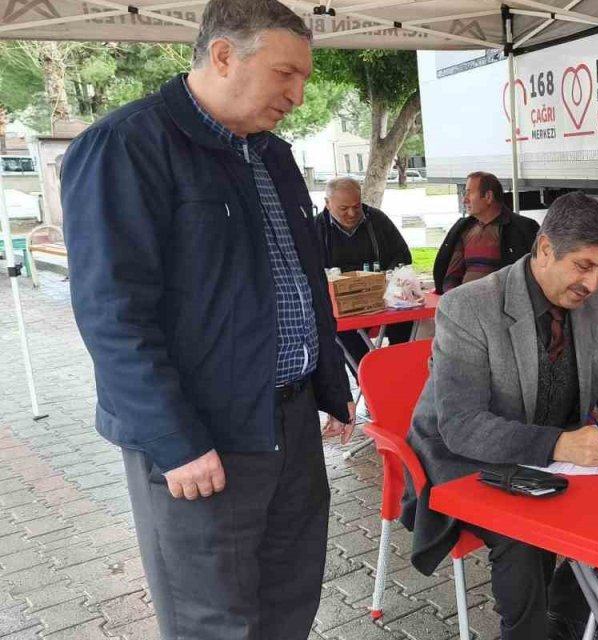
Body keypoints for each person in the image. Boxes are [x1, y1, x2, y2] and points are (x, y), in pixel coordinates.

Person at [60, 1, 354, 638]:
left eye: (303, 79)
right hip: (201, 440)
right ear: (224, 56)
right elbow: (113, 315)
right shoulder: (124, 146)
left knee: (290, 600)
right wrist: (176, 441)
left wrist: (330, 388)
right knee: (213, 621)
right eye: (286, 75)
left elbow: (299, 281)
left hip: (292, 424)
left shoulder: (272, 155)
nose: (298, 96)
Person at [405, 192, 598, 639]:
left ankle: (568, 620)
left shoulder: (595, 305)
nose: (593, 284)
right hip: (466, 460)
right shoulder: (468, 308)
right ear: (545, 249)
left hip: (547, 454)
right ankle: (525, 632)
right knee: (523, 536)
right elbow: (461, 425)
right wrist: (560, 444)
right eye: (584, 266)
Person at [315, 176, 414, 363]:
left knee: (404, 321)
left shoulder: (377, 220)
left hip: (381, 298)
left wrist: (391, 278)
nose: (352, 213)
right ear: (327, 204)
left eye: (357, 206)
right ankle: (371, 378)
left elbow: (402, 255)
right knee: (343, 335)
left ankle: (399, 369)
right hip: (341, 305)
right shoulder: (315, 229)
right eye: (344, 208)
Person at [432, 171, 540, 293]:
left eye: (469, 193)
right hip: (465, 305)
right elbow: (452, 274)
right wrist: (453, 299)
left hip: (505, 308)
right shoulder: (463, 228)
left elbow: (540, 274)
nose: (464, 200)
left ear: (488, 196)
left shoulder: (523, 228)